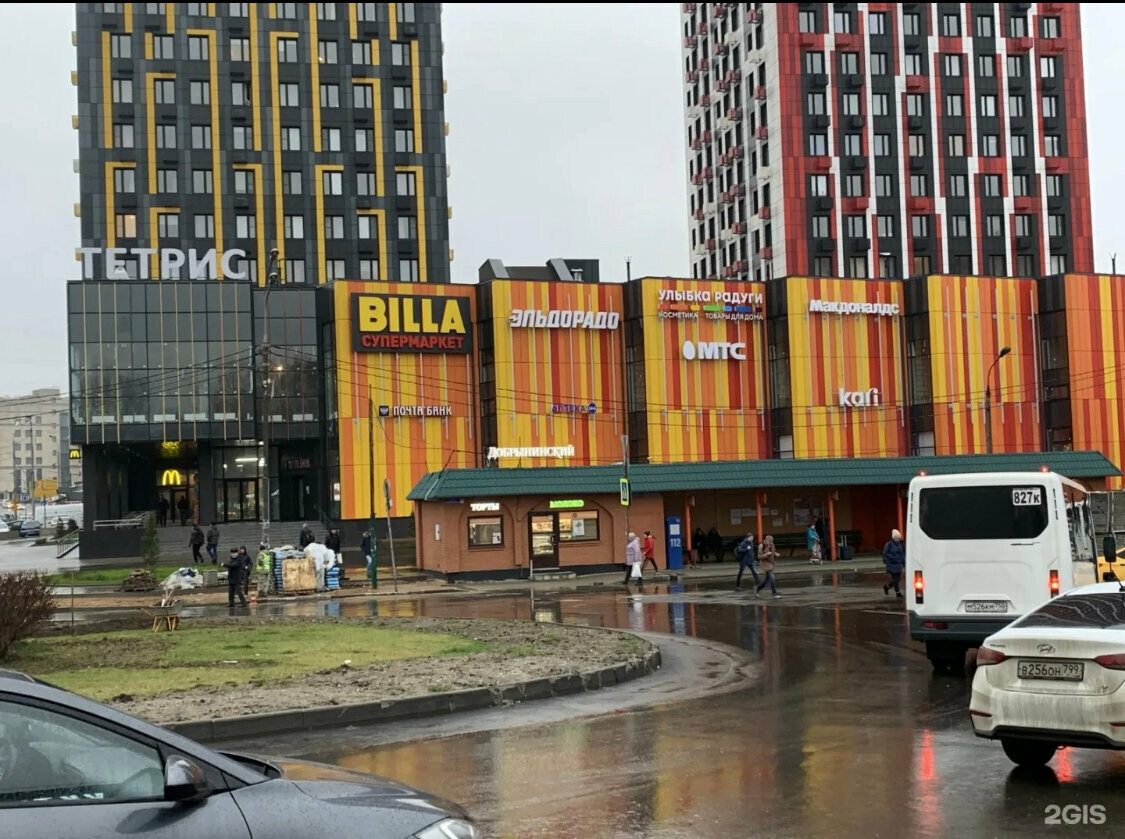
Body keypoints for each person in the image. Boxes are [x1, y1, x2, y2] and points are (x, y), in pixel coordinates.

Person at [756, 534, 781, 599]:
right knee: (772, 578)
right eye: (769, 542)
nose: (770, 543)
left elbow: (773, 552)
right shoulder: (761, 546)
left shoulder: (772, 545)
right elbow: (759, 557)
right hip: (765, 564)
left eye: (771, 542)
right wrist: (766, 554)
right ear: (766, 540)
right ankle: (774, 594)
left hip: (771, 563)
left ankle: (758, 589)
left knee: (766, 581)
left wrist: (775, 554)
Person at [883, 529, 906, 597]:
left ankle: (887, 586)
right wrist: (893, 557)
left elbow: (902, 554)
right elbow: (885, 553)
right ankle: (898, 592)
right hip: (892, 564)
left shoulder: (901, 544)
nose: (898, 539)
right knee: (895, 579)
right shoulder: (889, 544)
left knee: (898, 579)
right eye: (896, 538)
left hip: (898, 564)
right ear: (893, 538)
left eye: (899, 538)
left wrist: (904, 563)